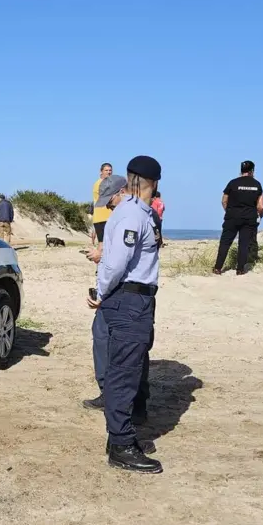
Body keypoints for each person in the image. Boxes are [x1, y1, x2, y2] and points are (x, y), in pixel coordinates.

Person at [87, 156, 164, 473]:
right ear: (154, 183)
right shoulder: (133, 214)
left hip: (134, 299)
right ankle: (121, 445)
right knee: (124, 373)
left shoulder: (134, 211)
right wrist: (101, 291)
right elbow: (117, 263)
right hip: (129, 300)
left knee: (127, 370)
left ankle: (120, 437)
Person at [82, 175, 149, 424]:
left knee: (121, 346)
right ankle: (119, 397)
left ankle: (130, 404)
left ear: (121, 192)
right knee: (114, 342)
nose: (109, 207)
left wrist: (101, 293)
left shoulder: (129, 216)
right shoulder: (132, 214)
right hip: (124, 291)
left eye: (110, 201)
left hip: (123, 293)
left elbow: (118, 264)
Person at [213, 160, 263, 275]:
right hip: (249, 218)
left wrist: (229, 211)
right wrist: (260, 216)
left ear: (241, 170)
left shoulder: (232, 183)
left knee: (225, 242)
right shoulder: (257, 184)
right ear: (252, 171)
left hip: (232, 217)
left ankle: (217, 268)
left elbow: (224, 200)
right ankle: (240, 269)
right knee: (244, 243)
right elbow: (261, 206)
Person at [90, 163, 114, 246]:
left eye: (110, 170)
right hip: (101, 218)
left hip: (108, 218)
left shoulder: (109, 184)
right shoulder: (100, 184)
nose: (108, 172)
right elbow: (108, 199)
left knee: (109, 245)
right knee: (103, 244)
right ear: (101, 172)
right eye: (106, 170)